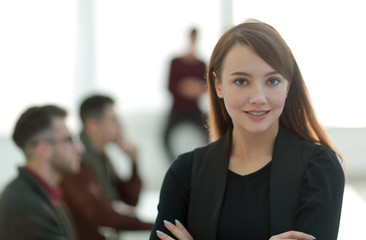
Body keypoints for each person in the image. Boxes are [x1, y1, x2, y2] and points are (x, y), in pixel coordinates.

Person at [150, 19, 345, 240]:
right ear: (218, 85)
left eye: (272, 81)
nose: (258, 98)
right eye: (242, 81)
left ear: (288, 84)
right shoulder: (184, 174)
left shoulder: (319, 170)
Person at [62, 94, 153, 240]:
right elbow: (101, 215)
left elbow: (130, 199)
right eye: (113, 120)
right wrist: (156, 225)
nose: (120, 126)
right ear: (92, 126)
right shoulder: (79, 161)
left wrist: (134, 162)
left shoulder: (102, 156)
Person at [0, 105, 82, 240]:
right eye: (70, 140)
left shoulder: (45, 194)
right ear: (43, 149)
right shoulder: (24, 206)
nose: (79, 148)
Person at [163, 27, 209, 161]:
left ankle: (203, 163)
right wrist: (185, 88)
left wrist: (195, 89)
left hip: (194, 109)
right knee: (165, 138)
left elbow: (205, 87)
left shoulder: (201, 64)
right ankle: (175, 164)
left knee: (211, 134)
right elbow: (170, 87)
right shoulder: (175, 62)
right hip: (177, 109)